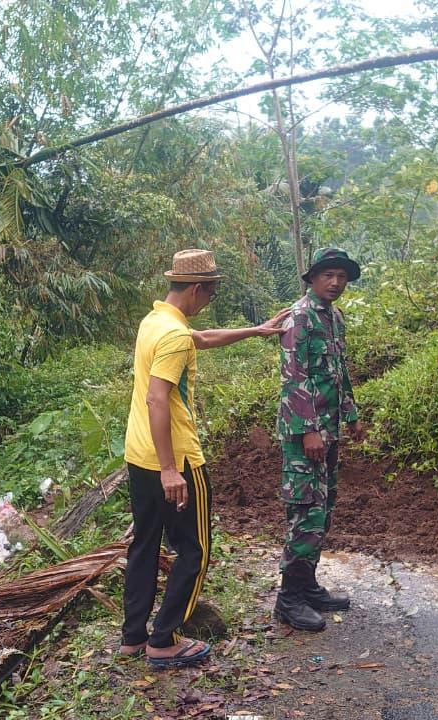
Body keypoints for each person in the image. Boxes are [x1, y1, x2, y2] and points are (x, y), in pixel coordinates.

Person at [120, 249, 288, 668]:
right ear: (196, 288)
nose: (210, 300)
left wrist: (257, 330)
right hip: (175, 461)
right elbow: (157, 399)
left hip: (139, 455)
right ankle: (164, 640)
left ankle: (133, 638)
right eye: (211, 293)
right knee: (194, 551)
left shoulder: (156, 321)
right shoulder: (174, 335)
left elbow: (203, 338)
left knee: (144, 545)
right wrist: (170, 469)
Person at [275, 247, 365, 632]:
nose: (336, 282)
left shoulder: (333, 317)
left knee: (323, 511)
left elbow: (338, 371)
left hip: (330, 430)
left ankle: (308, 587)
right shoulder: (299, 317)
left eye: (341, 276)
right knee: (306, 511)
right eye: (328, 275)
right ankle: (288, 599)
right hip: (305, 434)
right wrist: (309, 429)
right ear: (312, 278)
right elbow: (294, 376)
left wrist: (351, 415)